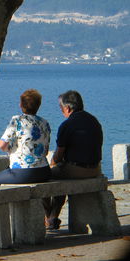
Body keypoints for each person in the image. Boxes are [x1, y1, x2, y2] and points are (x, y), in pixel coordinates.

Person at [43, 90, 103, 230]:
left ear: (68, 108)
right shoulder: (94, 121)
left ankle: (49, 217)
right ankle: (52, 218)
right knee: (61, 175)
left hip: (77, 170)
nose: (62, 111)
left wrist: (51, 166)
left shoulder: (67, 125)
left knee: (44, 176)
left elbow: (57, 156)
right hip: (95, 169)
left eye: (61, 108)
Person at [0, 89, 51, 186]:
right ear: (38, 105)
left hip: (22, 173)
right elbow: (45, 152)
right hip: (44, 172)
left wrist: (11, 149)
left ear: (21, 105)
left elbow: (2, 145)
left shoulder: (17, 120)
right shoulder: (45, 123)